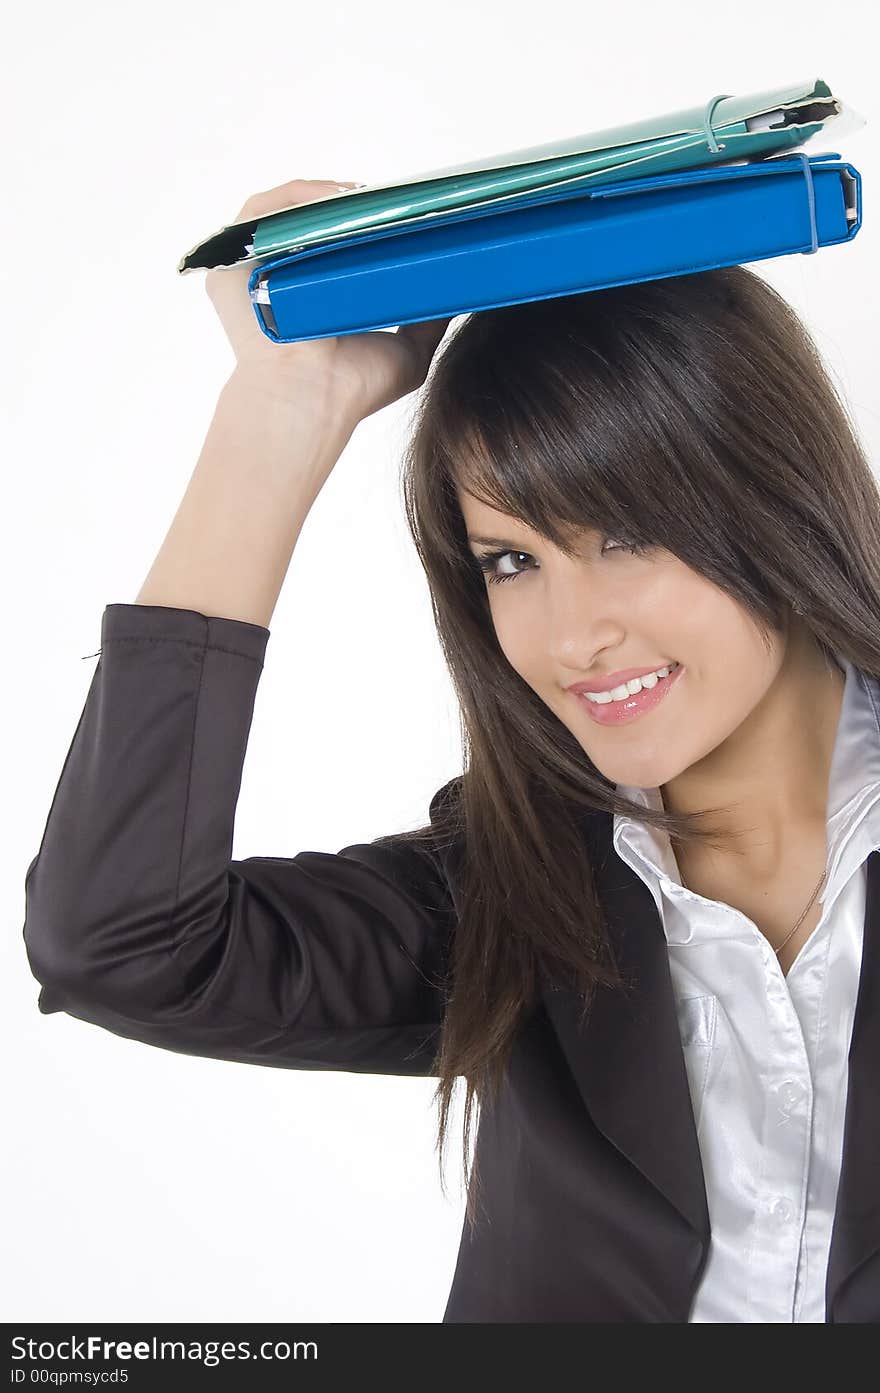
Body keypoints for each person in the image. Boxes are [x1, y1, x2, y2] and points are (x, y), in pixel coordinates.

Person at [22, 177, 880, 1323]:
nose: (573, 635)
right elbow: (118, 943)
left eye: (623, 534)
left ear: (771, 497)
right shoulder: (515, 887)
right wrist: (280, 414)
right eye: (511, 560)